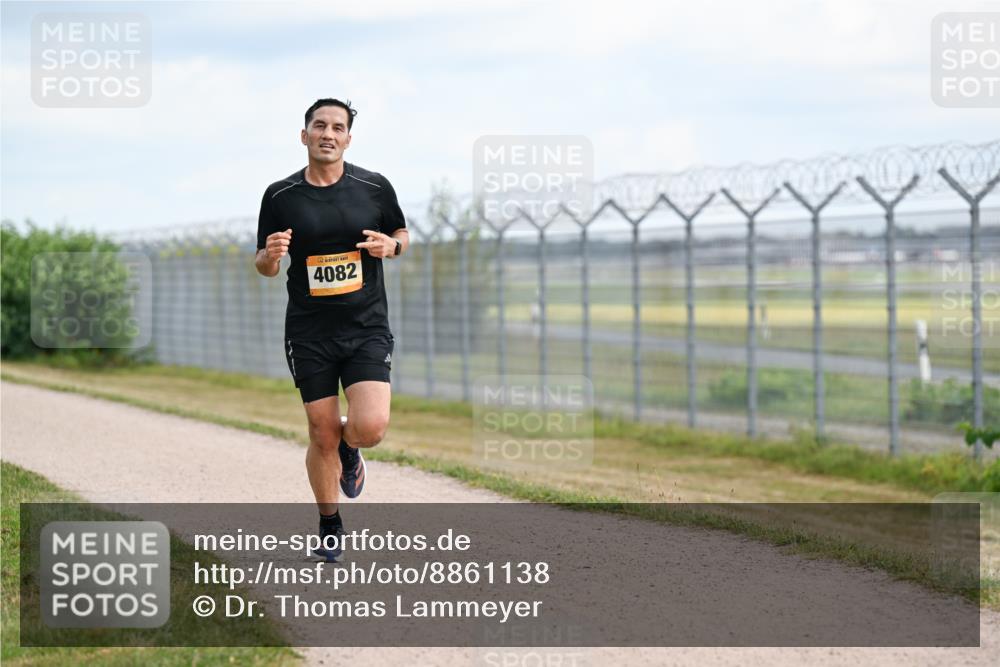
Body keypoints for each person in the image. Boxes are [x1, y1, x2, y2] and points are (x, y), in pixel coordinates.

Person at [255, 98, 408, 561]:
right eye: (319, 125)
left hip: (365, 327)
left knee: (371, 426)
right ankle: (329, 523)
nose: (328, 133)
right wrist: (271, 256)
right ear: (304, 135)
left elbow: (401, 235)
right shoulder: (280, 196)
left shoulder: (374, 187)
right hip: (309, 332)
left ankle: (351, 450)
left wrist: (391, 248)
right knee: (321, 432)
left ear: (347, 138)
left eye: (337, 127)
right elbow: (262, 265)